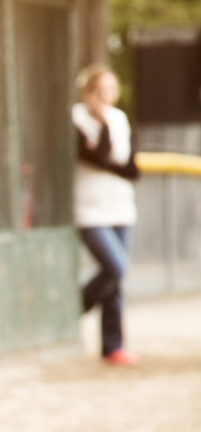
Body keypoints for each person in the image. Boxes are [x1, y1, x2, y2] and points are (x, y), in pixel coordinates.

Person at [72, 64, 139, 366]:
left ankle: (112, 346)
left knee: (116, 280)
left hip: (121, 208)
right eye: (100, 90)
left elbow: (131, 169)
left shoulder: (120, 119)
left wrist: (105, 154)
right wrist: (101, 126)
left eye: (112, 89)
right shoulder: (75, 118)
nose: (107, 96)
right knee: (116, 267)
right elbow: (97, 157)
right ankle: (71, 309)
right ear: (87, 92)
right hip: (90, 210)